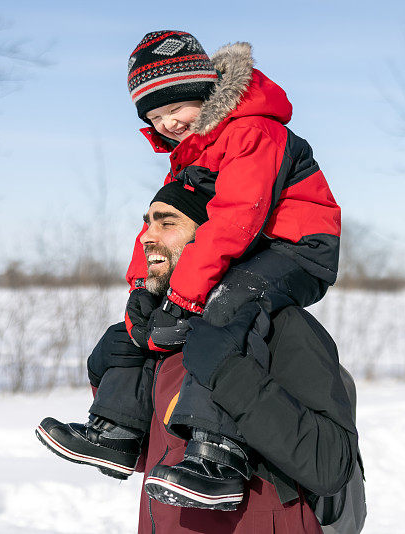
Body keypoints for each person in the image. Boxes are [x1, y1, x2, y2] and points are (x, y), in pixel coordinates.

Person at [39, 30, 342, 509]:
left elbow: (236, 220)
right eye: (155, 118)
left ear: (204, 91)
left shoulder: (253, 131)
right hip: (245, 250)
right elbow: (165, 222)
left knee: (221, 309)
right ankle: (118, 429)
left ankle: (217, 457)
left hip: (296, 248)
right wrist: (145, 288)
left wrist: (184, 297)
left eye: (174, 108)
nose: (167, 124)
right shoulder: (189, 156)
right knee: (141, 325)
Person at [38, 184, 358, 533]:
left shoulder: (282, 326)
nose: (147, 237)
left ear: (211, 239)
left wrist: (229, 374)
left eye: (166, 224)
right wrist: (102, 376)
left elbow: (330, 465)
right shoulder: (167, 337)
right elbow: (161, 458)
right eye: (147, 224)